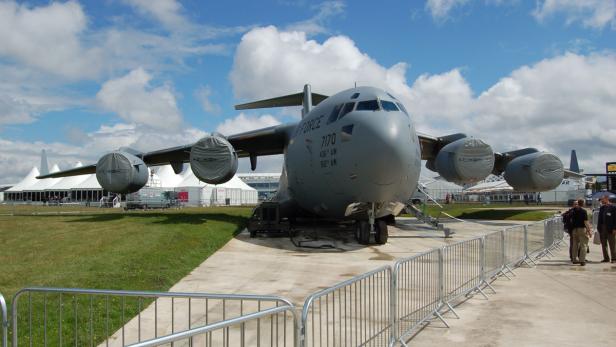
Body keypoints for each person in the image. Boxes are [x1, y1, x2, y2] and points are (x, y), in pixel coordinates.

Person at [570, 199, 592, 266]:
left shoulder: (573, 211)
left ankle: (574, 259)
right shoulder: (583, 211)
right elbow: (585, 222)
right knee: (584, 245)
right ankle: (582, 260)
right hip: (582, 229)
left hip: (574, 230)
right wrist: (589, 231)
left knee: (575, 245)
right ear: (583, 203)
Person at [597, 195, 616, 263]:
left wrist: (614, 228)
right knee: (603, 244)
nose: (601, 201)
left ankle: (614, 258)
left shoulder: (613, 207)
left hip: (610, 228)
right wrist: (598, 228)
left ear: (606, 199)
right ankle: (606, 258)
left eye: (602, 199)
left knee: (612, 244)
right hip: (602, 228)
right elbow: (599, 218)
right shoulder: (602, 208)